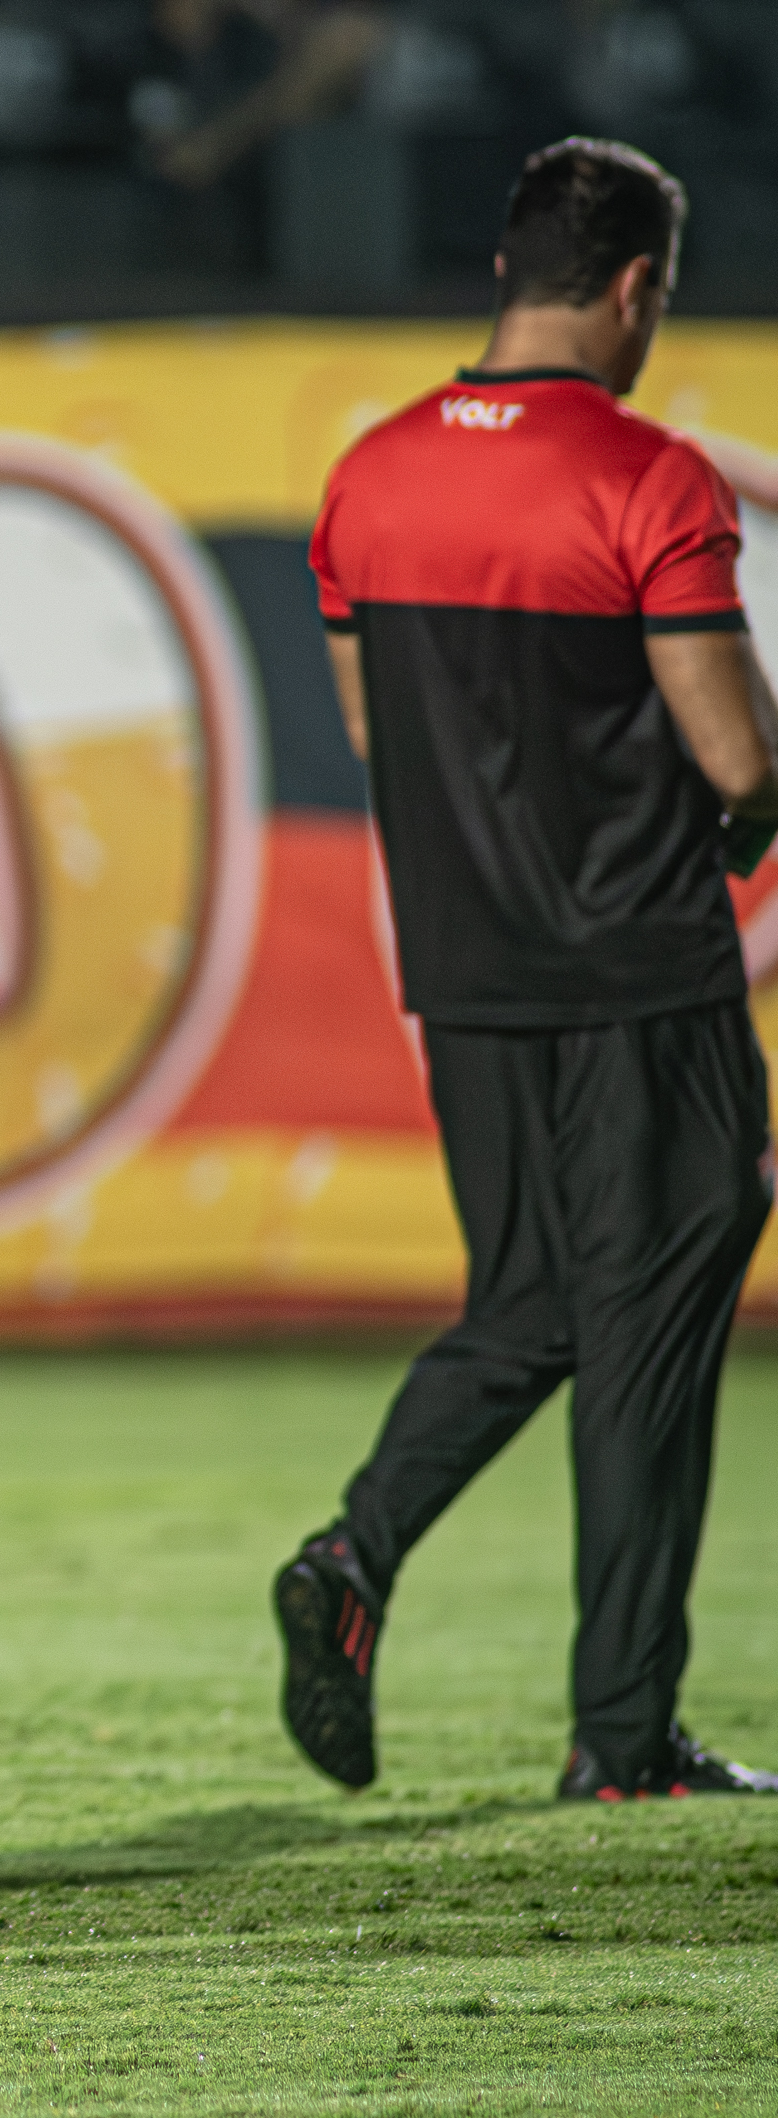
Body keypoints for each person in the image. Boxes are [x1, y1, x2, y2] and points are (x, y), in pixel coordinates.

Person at [282, 137, 778, 1805]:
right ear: (635, 289)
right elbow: (735, 753)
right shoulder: (651, 478)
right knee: (651, 1311)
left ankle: (355, 1550)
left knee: (536, 1303)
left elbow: (378, 736)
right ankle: (620, 1739)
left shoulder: (368, 478)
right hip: (640, 969)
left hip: (468, 970)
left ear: (508, 272)